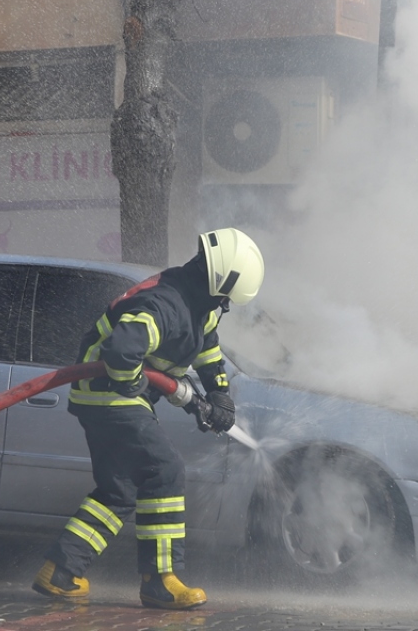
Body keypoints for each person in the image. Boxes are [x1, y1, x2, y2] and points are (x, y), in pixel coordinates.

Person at [32, 227, 264, 610]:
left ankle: (60, 572)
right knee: (165, 469)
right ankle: (160, 580)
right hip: (110, 393)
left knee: (118, 489)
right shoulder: (166, 304)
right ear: (220, 284)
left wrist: (218, 391)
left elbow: (206, 346)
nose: (225, 305)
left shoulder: (195, 303)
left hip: (106, 397)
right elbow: (122, 352)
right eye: (226, 298)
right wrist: (141, 384)